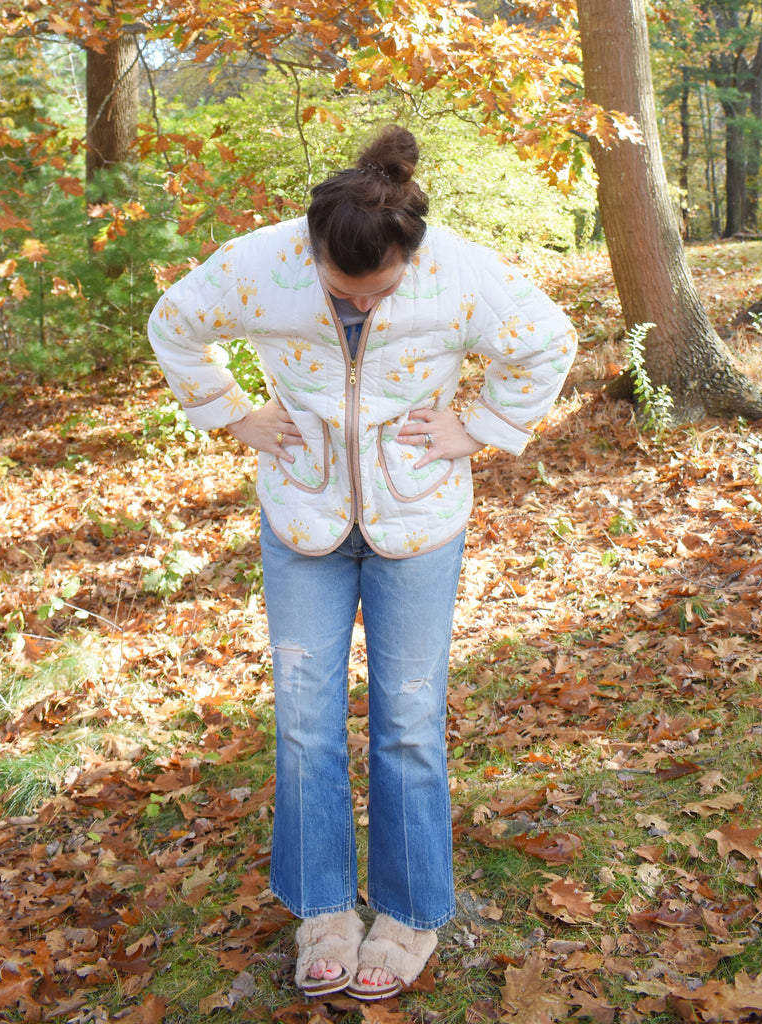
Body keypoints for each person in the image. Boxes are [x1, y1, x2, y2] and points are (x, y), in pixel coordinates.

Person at [148, 125, 577, 1000]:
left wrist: (483, 429)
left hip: (417, 521)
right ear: (310, 250)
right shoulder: (261, 264)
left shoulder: (456, 270)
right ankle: (323, 908)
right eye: (342, 290)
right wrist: (234, 414)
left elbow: (547, 338)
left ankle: (411, 913)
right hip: (301, 518)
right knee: (306, 721)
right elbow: (175, 323)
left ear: (409, 257)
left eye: (376, 289)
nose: (360, 306)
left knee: (408, 721)